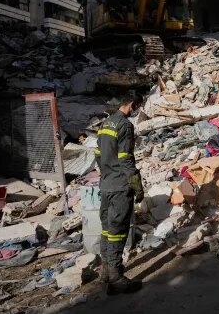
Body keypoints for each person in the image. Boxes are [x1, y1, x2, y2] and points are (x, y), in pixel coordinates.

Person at [97, 93, 145, 295]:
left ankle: (106, 271)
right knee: (118, 230)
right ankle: (116, 278)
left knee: (107, 228)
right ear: (132, 104)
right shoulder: (125, 125)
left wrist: (108, 173)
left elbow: (98, 156)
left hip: (106, 183)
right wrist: (136, 184)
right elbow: (125, 159)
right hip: (119, 186)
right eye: (136, 107)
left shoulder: (105, 124)